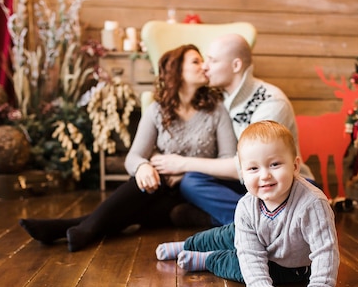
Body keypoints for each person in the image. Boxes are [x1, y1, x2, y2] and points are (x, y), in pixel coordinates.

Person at [19, 44, 237, 252]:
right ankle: (81, 228)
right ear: (177, 71)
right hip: (164, 190)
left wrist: (185, 172)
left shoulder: (216, 110)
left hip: (199, 190)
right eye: (196, 62)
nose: (205, 66)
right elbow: (134, 156)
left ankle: (76, 227)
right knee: (147, 183)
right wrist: (142, 167)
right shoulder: (156, 110)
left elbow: (229, 159)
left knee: (140, 207)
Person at [155, 121, 339, 287]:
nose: (265, 175)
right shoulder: (246, 206)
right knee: (222, 236)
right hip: (256, 232)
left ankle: (208, 259)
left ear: (295, 166)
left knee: (237, 266)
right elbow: (250, 250)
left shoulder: (312, 203)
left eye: (275, 164)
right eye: (253, 169)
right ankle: (188, 245)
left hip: (291, 266)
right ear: (242, 174)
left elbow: (325, 250)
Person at [150, 33, 314, 226]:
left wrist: (183, 164)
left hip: (283, 183)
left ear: (236, 66)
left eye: (213, 60)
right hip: (248, 183)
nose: (205, 66)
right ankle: (253, 221)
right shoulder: (218, 100)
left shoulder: (270, 102)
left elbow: (251, 165)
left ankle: (243, 224)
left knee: (191, 177)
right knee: (192, 181)